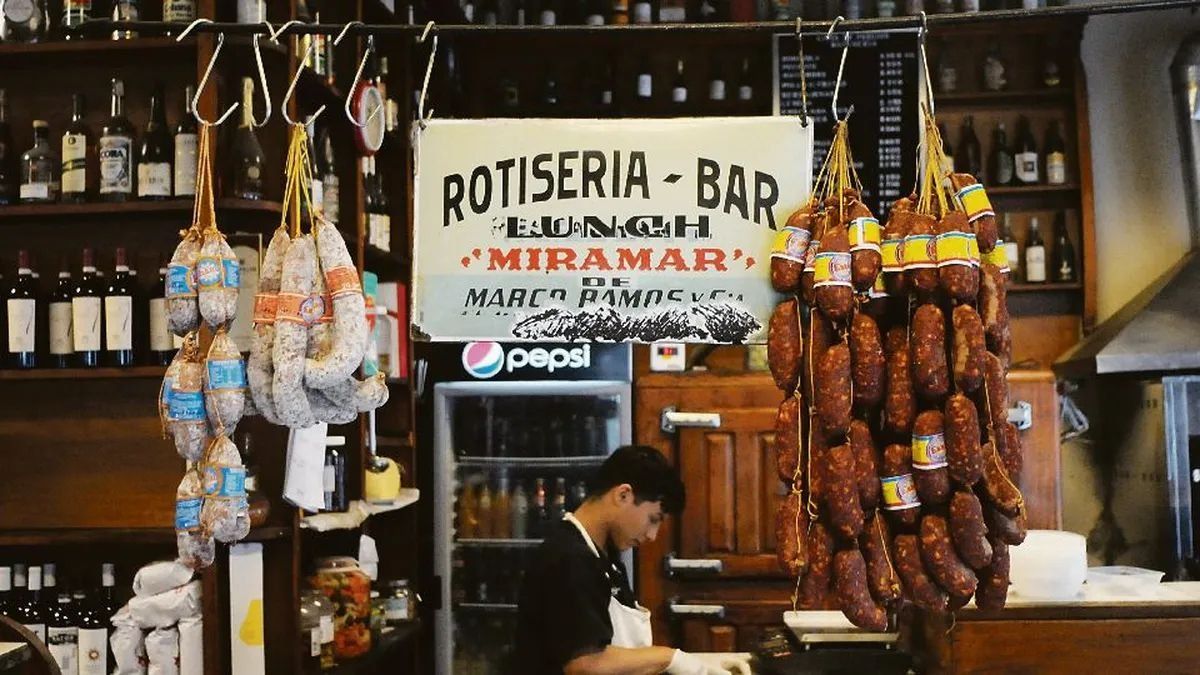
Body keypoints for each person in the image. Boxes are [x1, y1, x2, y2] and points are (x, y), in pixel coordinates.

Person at [513, 445, 751, 675]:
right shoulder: (569, 558)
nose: (652, 535)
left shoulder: (606, 556)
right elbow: (585, 663)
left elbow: (620, 653)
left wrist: (705, 663)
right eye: (653, 519)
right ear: (623, 495)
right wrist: (670, 659)